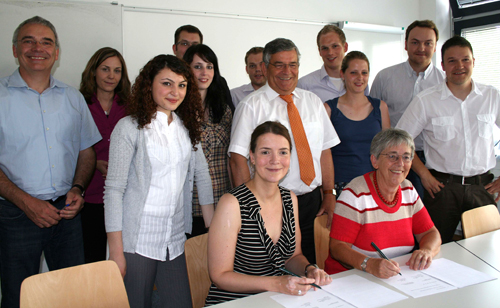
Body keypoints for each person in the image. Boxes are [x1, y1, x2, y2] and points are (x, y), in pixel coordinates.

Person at [0, 16, 101, 308]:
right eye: (28, 40)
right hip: (15, 215)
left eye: (47, 42)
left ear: (56, 53)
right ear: (15, 49)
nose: (37, 48)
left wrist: (78, 188)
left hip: (67, 214)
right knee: (18, 297)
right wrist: (26, 202)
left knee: (73, 295)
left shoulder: (72, 98)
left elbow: (86, 151)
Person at [104, 54, 214, 307]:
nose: (175, 92)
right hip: (136, 239)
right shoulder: (129, 127)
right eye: (167, 83)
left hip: (174, 238)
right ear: (149, 85)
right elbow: (113, 191)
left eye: (182, 85)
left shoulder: (186, 128)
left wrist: (211, 231)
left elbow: (202, 177)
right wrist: (116, 252)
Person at [229, 38, 340, 264]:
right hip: (269, 203)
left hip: (312, 202)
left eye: (293, 64)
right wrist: (248, 207)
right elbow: (237, 159)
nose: (287, 71)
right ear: (265, 67)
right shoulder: (251, 106)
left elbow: (324, 150)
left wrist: (329, 193)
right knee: (274, 269)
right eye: (279, 64)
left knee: (310, 264)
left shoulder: (313, 102)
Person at [206, 121, 332, 306]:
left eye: (283, 152)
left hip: (277, 299)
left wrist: (308, 269)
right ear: (252, 157)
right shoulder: (231, 204)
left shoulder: (290, 199)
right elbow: (219, 276)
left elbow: (293, 256)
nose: (275, 160)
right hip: (234, 301)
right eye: (265, 152)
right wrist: (277, 284)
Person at [396, 36, 500, 244]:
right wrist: (423, 174)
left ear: (473, 62)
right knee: (435, 250)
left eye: (465, 60)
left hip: (482, 187)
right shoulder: (426, 100)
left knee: (487, 250)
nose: (459, 66)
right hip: (441, 188)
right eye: (452, 61)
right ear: (442, 65)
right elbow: (400, 141)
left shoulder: (491, 96)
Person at [325, 128, 441, 278]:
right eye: (393, 156)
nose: (400, 163)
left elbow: (431, 233)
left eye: (406, 157)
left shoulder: (408, 190)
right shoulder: (356, 194)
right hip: (351, 278)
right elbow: (337, 248)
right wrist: (369, 263)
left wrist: (426, 251)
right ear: (375, 160)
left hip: (395, 276)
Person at [370, 20, 445, 198]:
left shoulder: (445, 82)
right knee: (395, 209)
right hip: (394, 158)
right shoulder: (385, 77)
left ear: (435, 47)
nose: (421, 48)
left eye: (428, 43)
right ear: (405, 45)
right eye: (415, 42)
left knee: (431, 214)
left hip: (435, 159)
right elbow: (373, 118)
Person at [79, 47, 131, 263]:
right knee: (93, 258)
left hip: (125, 196)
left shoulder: (130, 106)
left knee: (123, 258)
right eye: (105, 69)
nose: (111, 76)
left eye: (117, 71)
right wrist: (94, 164)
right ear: (93, 71)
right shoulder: (79, 104)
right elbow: (69, 147)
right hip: (90, 195)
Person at [324, 51, 390, 196]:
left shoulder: (380, 107)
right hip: (341, 186)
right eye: (353, 72)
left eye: (364, 73)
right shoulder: (329, 109)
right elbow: (323, 154)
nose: (360, 78)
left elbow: (387, 150)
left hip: (375, 184)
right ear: (342, 74)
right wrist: (328, 192)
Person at [183, 44, 232, 237]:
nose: (205, 72)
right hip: (187, 206)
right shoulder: (177, 111)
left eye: (210, 66)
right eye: (198, 66)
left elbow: (230, 156)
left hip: (221, 201)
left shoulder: (224, 109)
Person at [298, 24, 369, 102]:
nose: (330, 52)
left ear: (345, 47)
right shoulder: (304, 85)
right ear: (320, 52)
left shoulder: (359, 83)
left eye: (335, 46)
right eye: (325, 48)